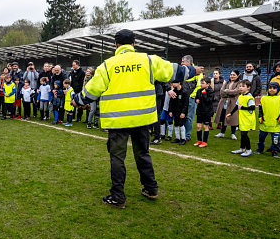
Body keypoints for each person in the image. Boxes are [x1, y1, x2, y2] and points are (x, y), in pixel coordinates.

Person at [73, 29, 200, 207]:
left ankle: (118, 197)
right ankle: (151, 188)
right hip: (142, 119)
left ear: (115, 45)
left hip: (117, 122)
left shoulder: (107, 66)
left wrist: (76, 100)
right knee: (143, 154)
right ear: (134, 43)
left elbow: (90, 92)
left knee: (117, 158)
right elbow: (174, 71)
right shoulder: (148, 60)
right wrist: (193, 69)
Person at [167, 55, 203, 141]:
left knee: (188, 117)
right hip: (180, 97)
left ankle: (187, 135)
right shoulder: (182, 70)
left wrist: (191, 95)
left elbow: (199, 86)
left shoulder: (197, 71)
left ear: (189, 62)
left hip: (190, 98)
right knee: (178, 115)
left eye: (183, 61)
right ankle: (179, 136)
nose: (181, 63)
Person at [255, 82, 280, 158]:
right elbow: (260, 109)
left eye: (274, 88)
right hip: (265, 122)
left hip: (276, 123)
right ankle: (260, 149)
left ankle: (274, 151)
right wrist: (260, 117)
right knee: (261, 138)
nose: (272, 90)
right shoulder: (264, 98)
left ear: (277, 89)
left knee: (275, 140)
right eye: (270, 88)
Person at [227, 80, 256, 157]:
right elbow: (237, 106)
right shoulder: (240, 96)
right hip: (242, 118)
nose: (241, 88)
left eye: (243, 86)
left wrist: (243, 108)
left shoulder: (249, 97)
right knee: (242, 134)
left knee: (244, 134)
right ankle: (242, 149)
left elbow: (253, 107)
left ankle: (249, 150)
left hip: (248, 119)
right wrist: (231, 113)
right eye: (240, 86)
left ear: (248, 88)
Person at [214, 70, 241, 140]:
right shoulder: (226, 82)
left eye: (234, 75)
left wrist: (227, 91)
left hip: (233, 103)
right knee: (223, 117)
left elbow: (236, 91)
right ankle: (222, 133)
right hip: (224, 102)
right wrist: (229, 92)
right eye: (231, 74)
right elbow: (221, 92)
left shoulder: (239, 83)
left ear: (237, 76)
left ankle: (233, 133)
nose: (232, 76)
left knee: (233, 118)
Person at [194, 77, 214, 147]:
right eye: (201, 83)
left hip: (207, 112)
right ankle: (199, 140)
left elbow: (208, 101)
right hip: (199, 111)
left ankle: (204, 142)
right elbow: (196, 98)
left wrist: (204, 93)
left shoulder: (210, 91)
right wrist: (196, 100)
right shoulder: (199, 90)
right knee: (198, 126)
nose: (201, 84)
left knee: (205, 126)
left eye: (203, 83)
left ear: (208, 84)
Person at [168, 80, 189, 145]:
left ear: (179, 83)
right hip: (175, 111)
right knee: (176, 124)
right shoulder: (174, 91)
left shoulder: (184, 92)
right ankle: (177, 138)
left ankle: (183, 138)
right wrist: (170, 110)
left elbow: (186, 104)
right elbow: (171, 102)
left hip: (181, 111)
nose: (173, 84)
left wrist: (183, 112)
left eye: (175, 82)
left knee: (181, 124)